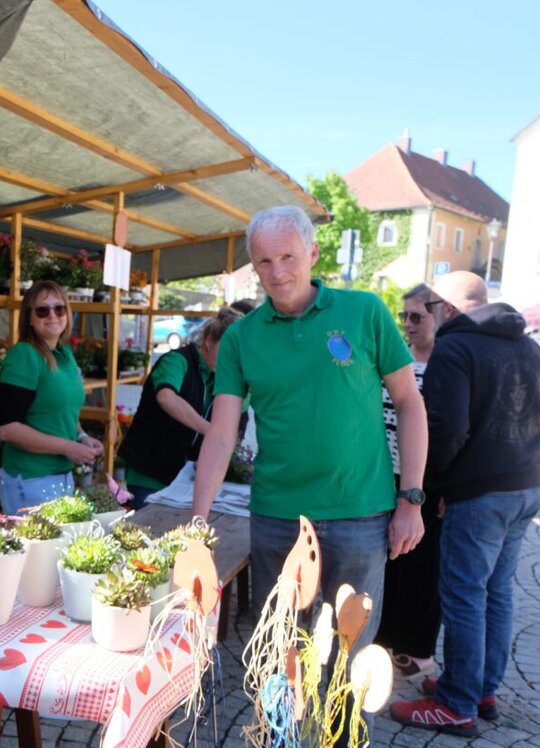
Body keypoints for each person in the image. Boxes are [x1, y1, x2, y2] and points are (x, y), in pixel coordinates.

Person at [191, 207, 427, 713]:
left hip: (360, 514)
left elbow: (410, 404)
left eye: (287, 257)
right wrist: (198, 517)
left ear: (313, 254)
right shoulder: (241, 337)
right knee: (279, 655)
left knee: (349, 654)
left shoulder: (364, 312)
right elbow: (221, 432)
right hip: (278, 517)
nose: (277, 272)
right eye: (264, 262)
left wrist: (411, 498)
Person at [390, 271, 540, 738]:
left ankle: (457, 702)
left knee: (464, 597)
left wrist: (434, 486)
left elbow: (447, 428)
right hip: (524, 487)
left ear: (448, 308)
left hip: (478, 493)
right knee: (496, 592)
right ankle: (480, 688)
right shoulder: (529, 347)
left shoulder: (455, 347)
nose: (429, 315)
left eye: (431, 307)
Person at [377, 283, 442, 679]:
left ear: (437, 315)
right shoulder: (397, 357)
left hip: (423, 478)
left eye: (417, 316)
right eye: (405, 316)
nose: (409, 324)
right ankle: (384, 640)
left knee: (423, 566)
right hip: (385, 473)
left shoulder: (447, 363)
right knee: (389, 561)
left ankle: (417, 649)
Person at [0, 280, 103, 515]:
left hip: (60, 477)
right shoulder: (25, 355)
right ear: (30, 318)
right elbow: (8, 428)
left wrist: (81, 437)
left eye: (59, 308)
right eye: (42, 310)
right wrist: (67, 447)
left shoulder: (64, 354)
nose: (52, 315)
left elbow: (64, 411)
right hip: (31, 479)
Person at [118, 307, 242, 509]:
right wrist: (211, 430)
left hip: (186, 480)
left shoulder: (223, 376)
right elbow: (166, 397)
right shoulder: (177, 360)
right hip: (149, 474)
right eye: (227, 349)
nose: (231, 358)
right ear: (209, 341)